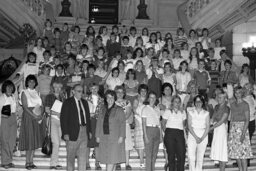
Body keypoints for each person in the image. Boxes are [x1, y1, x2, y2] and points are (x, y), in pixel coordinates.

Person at [60, 84, 92, 171]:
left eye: (82, 91)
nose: (81, 93)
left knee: (83, 157)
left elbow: (87, 118)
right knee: (71, 157)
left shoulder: (85, 102)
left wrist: (89, 131)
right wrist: (65, 133)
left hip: (84, 131)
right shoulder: (67, 102)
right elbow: (63, 118)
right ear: (73, 92)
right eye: (79, 91)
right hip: (72, 132)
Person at [19, 75, 45, 170]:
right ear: (27, 82)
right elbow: (25, 107)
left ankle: (32, 161)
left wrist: (41, 115)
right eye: (30, 81)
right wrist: (35, 116)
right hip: (29, 117)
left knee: (34, 139)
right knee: (29, 139)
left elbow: (41, 105)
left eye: (33, 81)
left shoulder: (37, 92)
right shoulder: (24, 92)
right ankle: (27, 162)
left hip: (37, 116)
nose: (32, 83)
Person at [95, 90, 126, 171]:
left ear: (114, 98)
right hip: (104, 137)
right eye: (108, 97)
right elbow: (98, 123)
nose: (110, 99)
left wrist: (122, 136)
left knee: (112, 158)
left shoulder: (119, 109)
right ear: (105, 98)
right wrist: (97, 135)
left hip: (115, 137)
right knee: (110, 159)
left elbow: (122, 123)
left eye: (112, 97)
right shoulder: (102, 109)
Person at [228, 86, 253, 171]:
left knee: (243, 153)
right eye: (236, 92)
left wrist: (243, 134)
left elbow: (247, 120)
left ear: (242, 93)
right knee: (236, 153)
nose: (237, 94)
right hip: (234, 129)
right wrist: (230, 132)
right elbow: (231, 119)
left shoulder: (245, 104)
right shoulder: (232, 104)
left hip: (242, 128)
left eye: (239, 92)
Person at [45, 81, 66, 170]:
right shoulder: (49, 96)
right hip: (52, 119)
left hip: (61, 121)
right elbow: (47, 110)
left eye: (59, 87)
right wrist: (57, 113)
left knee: (58, 142)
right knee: (56, 142)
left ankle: (55, 162)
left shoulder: (63, 97)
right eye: (56, 87)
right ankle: (53, 163)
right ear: (53, 88)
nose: (57, 88)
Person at [162, 95, 186, 171]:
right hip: (169, 133)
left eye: (179, 102)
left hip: (180, 133)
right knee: (171, 155)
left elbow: (184, 124)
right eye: (175, 102)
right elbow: (163, 124)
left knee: (181, 154)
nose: (177, 103)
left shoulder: (183, 112)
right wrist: (167, 133)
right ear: (172, 102)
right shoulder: (168, 111)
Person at [187, 95, 210, 171]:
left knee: (200, 158)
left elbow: (207, 127)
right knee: (191, 157)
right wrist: (196, 137)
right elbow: (189, 126)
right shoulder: (190, 112)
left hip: (203, 135)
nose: (198, 103)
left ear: (202, 103)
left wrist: (202, 138)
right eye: (196, 101)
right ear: (194, 103)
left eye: (200, 101)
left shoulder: (206, 113)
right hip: (192, 135)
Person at [210, 90, 230, 171]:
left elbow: (222, 121)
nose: (219, 98)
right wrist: (208, 124)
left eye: (221, 97)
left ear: (225, 99)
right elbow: (213, 117)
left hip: (221, 128)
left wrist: (210, 128)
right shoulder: (216, 107)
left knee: (222, 149)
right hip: (216, 128)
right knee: (218, 149)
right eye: (218, 97)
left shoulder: (227, 108)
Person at [85, 84, 104, 170]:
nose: (94, 90)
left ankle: (97, 163)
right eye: (92, 88)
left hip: (98, 122)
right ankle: (87, 163)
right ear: (89, 89)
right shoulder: (86, 99)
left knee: (97, 144)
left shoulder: (102, 99)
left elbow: (104, 112)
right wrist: (89, 114)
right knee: (88, 143)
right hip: (89, 122)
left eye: (95, 88)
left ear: (98, 89)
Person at [115, 86, 133, 170]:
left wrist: (121, 122)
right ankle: (117, 163)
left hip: (125, 125)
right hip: (115, 126)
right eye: (118, 92)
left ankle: (127, 163)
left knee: (127, 144)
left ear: (124, 93)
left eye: (121, 92)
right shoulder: (112, 102)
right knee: (117, 144)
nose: (120, 94)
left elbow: (128, 113)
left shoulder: (127, 102)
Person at [142, 91, 161, 171]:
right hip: (149, 130)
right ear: (148, 98)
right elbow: (143, 123)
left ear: (156, 99)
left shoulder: (157, 109)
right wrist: (145, 136)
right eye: (151, 97)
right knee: (149, 154)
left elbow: (159, 122)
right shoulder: (145, 108)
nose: (152, 99)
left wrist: (161, 136)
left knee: (154, 154)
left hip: (157, 130)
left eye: (154, 97)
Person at [0, 80, 17, 169]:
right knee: (4, 141)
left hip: (13, 118)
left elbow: (15, 109)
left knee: (11, 141)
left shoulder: (13, 97)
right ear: (4, 88)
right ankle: (4, 161)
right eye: (8, 87)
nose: (10, 88)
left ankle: (9, 160)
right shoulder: (1, 98)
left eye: (11, 87)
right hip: (5, 119)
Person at [133, 84, 149, 168]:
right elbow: (135, 110)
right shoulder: (136, 100)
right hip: (139, 121)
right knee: (139, 141)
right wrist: (142, 115)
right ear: (139, 92)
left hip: (147, 122)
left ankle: (144, 158)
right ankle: (142, 160)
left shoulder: (149, 100)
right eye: (142, 91)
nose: (143, 92)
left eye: (145, 91)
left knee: (145, 141)